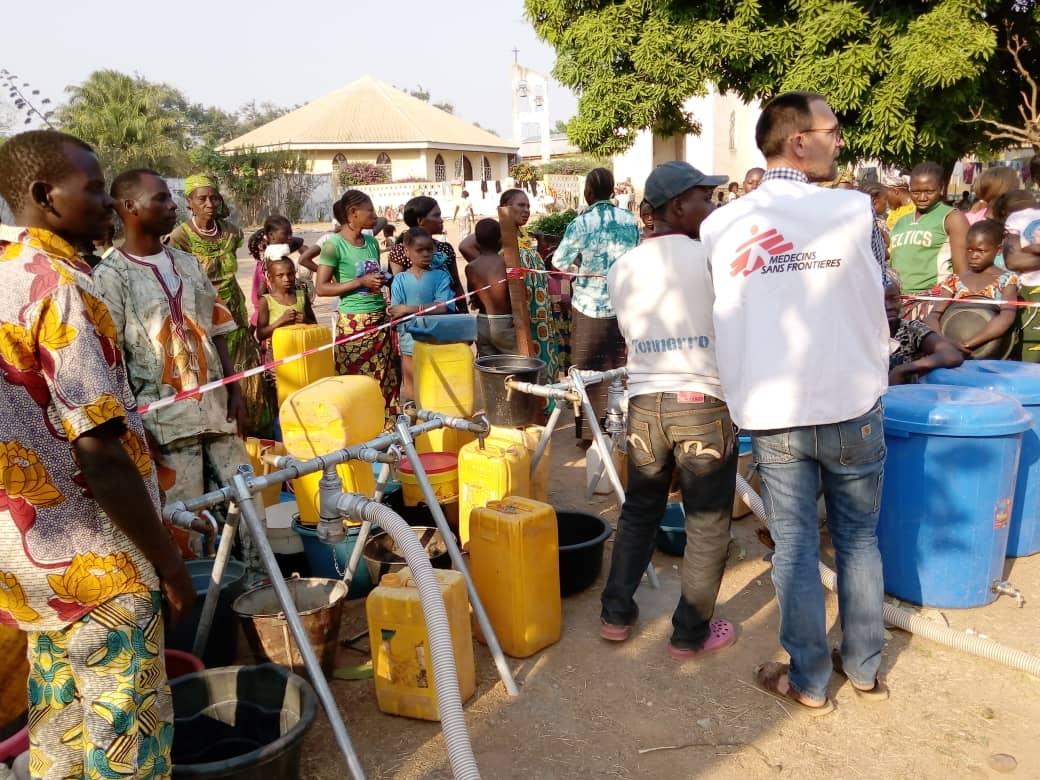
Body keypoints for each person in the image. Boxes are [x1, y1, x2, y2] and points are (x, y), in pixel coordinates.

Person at [0, 131, 195, 777]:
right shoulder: (59, 288)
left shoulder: (5, 276)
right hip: (101, 565)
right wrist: (166, 564)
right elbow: (98, 448)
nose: (107, 204)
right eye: (92, 188)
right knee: (124, 744)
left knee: (59, 734)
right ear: (42, 196)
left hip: (29, 565)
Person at [702, 91, 890, 713]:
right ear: (797, 141)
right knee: (859, 540)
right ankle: (863, 666)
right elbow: (883, 289)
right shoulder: (856, 210)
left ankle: (809, 679)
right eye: (831, 130)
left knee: (797, 547)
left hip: (776, 414)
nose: (840, 140)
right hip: (853, 403)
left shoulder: (719, 225)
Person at [600, 160, 738, 660]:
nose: (714, 206)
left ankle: (615, 614)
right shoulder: (711, 260)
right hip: (701, 402)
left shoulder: (622, 267)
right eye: (707, 198)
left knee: (640, 508)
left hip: (645, 404)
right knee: (706, 521)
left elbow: (628, 331)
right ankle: (689, 633)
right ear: (678, 207)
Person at [95, 169, 266, 570]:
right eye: (161, 200)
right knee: (187, 526)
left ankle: (259, 595)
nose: (173, 206)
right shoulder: (110, 276)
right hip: (163, 428)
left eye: (172, 199)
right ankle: (204, 613)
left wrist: (235, 388)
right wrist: (132, 431)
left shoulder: (187, 264)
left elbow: (218, 326)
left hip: (217, 413)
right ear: (128, 208)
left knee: (249, 506)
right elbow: (110, 360)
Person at [168, 174, 270, 436]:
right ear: (189, 202)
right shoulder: (180, 238)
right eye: (201, 198)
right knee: (215, 376)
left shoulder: (232, 232)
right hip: (206, 317)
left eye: (213, 197)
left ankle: (257, 436)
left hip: (235, 313)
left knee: (248, 378)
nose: (209, 203)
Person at [552, 168, 640, 443]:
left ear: (588, 193)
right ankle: (616, 430)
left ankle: (590, 435)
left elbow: (559, 263)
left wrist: (581, 266)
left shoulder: (581, 223)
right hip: (622, 305)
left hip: (587, 305)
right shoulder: (629, 221)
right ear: (613, 192)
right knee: (617, 368)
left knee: (587, 371)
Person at [316, 190, 399, 429]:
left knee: (385, 378)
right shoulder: (334, 245)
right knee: (356, 383)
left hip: (379, 320)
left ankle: (387, 432)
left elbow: (371, 275)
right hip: (354, 323)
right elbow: (321, 288)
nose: (375, 216)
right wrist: (360, 283)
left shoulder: (371, 242)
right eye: (370, 211)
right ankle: (359, 432)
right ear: (353, 214)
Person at [922, 219, 1019, 354]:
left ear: (998, 250)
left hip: (990, 352)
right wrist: (944, 342)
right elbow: (933, 316)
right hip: (951, 351)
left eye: (981, 251)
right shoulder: (954, 280)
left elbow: (1006, 318)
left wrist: (967, 344)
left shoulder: (1007, 280)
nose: (974, 256)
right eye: (969, 250)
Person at [498, 188, 561, 379]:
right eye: (520, 205)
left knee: (543, 350)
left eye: (528, 206)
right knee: (526, 356)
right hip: (521, 312)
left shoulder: (526, 236)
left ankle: (547, 400)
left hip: (540, 311)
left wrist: (540, 245)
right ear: (505, 208)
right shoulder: (500, 237)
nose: (526, 210)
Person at [389, 228, 457, 402]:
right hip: (409, 342)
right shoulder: (400, 279)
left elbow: (442, 307)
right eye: (420, 250)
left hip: (437, 341)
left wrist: (407, 309)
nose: (426, 253)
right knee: (411, 391)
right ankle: (415, 424)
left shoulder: (441, 276)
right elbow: (396, 310)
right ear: (407, 251)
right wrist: (397, 311)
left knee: (437, 388)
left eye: (429, 249)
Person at [889, 162, 969, 296]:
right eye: (916, 192)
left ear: (941, 188)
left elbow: (962, 271)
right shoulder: (901, 221)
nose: (922, 198)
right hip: (899, 299)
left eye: (929, 191)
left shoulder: (952, 218)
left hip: (933, 299)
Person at [885, 272, 964, 384]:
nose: (889, 306)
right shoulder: (859, 334)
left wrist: (902, 370)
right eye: (881, 299)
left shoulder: (910, 330)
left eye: (893, 299)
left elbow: (951, 355)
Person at [388, 196, 465, 297]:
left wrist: (463, 310)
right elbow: (398, 290)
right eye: (436, 216)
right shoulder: (400, 251)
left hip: (446, 310)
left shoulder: (445, 248)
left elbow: (456, 285)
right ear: (420, 220)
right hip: (412, 310)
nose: (441, 220)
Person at [465, 218, 517, 356]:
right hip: (504, 322)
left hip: (482, 321)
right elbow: (516, 295)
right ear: (501, 239)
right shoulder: (506, 263)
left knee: (489, 367)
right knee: (516, 365)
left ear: (476, 241)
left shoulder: (471, 267)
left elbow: (474, 297)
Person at [256, 254, 317, 345]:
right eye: (280, 275)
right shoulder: (266, 301)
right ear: (270, 277)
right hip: (279, 351)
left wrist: (305, 321)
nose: (287, 279)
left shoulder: (301, 296)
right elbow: (260, 334)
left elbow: (315, 324)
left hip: (302, 348)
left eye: (290, 274)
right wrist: (281, 320)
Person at [861, 182, 891, 252]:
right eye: (885, 199)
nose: (887, 203)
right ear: (874, 201)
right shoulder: (872, 225)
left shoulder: (880, 219)